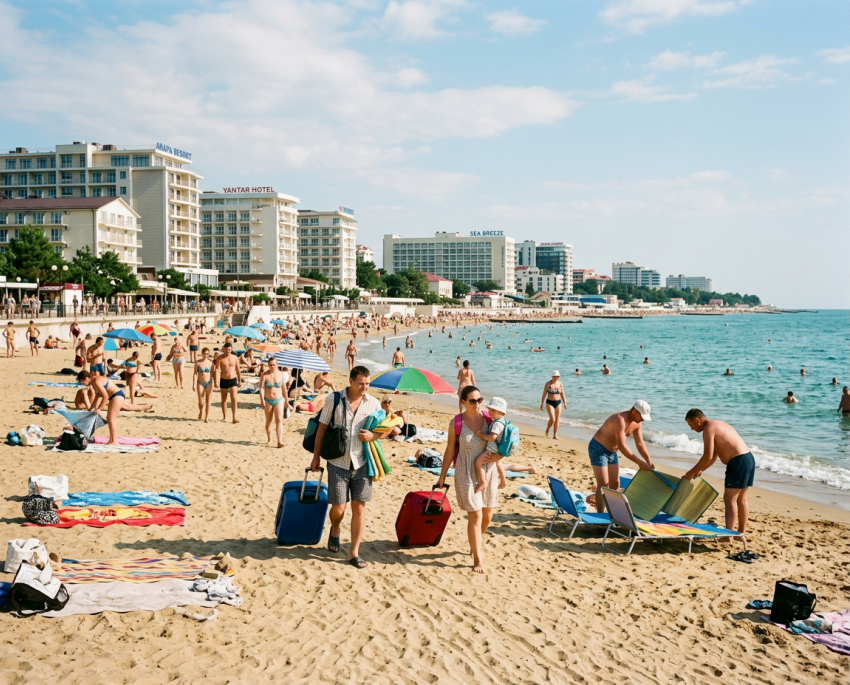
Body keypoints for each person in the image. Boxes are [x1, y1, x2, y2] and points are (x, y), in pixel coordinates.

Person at [309, 365, 382, 570]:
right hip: (337, 462)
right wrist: (316, 457)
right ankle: (335, 528)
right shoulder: (334, 399)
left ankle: (354, 553)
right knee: (338, 508)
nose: (364, 387)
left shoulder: (373, 403)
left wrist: (373, 435)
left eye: (367, 384)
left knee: (359, 507)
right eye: (361, 384)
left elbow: (385, 430)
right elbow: (322, 429)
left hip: (362, 463)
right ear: (350, 381)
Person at [437, 385, 499, 574]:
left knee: (487, 516)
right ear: (463, 402)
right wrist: (442, 475)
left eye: (480, 400)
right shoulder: (456, 423)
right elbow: (450, 450)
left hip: (488, 471)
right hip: (465, 472)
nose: (477, 404)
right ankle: (478, 559)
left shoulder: (490, 420)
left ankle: (475, 543)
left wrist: (500, 470)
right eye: (472, 401)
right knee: (476, 515)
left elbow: (500, 447)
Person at [683, 409, 753, 552]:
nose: (691, 428)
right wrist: (701, 469)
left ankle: (728, 536)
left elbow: (707, 456)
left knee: (729, 499)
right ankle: (740, 533)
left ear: (697, 420)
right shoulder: (716, 424)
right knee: (742, 499)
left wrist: (690, 473)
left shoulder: (708, 429)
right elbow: (714, 455)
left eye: (691, 425)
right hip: (748, 458)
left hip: (737, 461)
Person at [588, 402, 655, 513]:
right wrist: (639, 462)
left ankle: (611, 512)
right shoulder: (619, 419)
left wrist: (648, 460)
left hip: (612, 452)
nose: (643, 420)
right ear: (635, 411)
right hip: (598, 448)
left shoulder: (637, 423)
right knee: (603, 484)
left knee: (615, 484)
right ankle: (600, 514)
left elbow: (640, 443)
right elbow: (622, 446)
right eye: (642, 417)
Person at [76, 370, 152, 444]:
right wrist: (90, 409)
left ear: (86, 378)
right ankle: (111, 440)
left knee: (111, 418)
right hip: (115, 396)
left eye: (81, 381)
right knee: (110, 418)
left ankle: (114, 441)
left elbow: (105, 396)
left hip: (117, 395)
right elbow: (97, 396)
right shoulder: (94, 382)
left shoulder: (96, 381)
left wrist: (99, 409)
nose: (82, 383)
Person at [473, 397, 508, 493]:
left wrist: (480, 434)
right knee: (498, 463)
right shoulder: (503, 421)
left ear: (500, 411)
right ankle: (503, 481)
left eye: (493, 410)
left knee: (478, 462)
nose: (490, 412)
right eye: (489, 409)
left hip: (491, 451)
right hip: (498, 449)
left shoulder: (497, 424)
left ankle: (483, 482)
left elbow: (492, 437)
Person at [260, 356, 287, 447]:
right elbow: (261, 388)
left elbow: (284, 388)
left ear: (277, 365)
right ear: (268, 365)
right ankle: (269, 438)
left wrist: (286, 400)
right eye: (270, 365)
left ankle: (280, 441)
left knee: (279, 420)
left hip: (279, 399)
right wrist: (262, 400)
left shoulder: (281, 374)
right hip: (268, 400)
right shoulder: (265, 375)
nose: (272, 367)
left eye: (274, 365)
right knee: (269, 421)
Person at [215, 342, 241, 423]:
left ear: (231, 349)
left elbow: (238, 370)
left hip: (233, 380)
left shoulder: (235, 358)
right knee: (224, 399)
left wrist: (239, 380)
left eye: (229, 349)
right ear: (223, 349)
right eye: (226, 349)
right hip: (223, 379)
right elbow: (216, 369)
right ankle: (225, 417)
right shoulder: (220, 358)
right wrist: (215, 381)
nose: (228, 351)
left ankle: (234, 417)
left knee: (234, 399)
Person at [540, 370, 566, 440]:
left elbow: (562, 394)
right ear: (552, 376)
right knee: (552, 419)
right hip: (549, 402)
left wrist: (565, 403)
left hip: (558, 402)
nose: (556, 378)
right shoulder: (548, 384)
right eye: (555, 376)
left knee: (557, 420)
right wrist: (542, 404)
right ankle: (548, 428)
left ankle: (555, 435)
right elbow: (544, 394)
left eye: (557, 376)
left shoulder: (560, 384)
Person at [193, 348, 215, 422]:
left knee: (208, 400)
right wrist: (194, 384)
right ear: (202, 354)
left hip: (209, 382)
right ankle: (201, 411)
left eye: (207, 354)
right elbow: (195, 374)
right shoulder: (198, 363)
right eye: (204, 353)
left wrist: (215, 382)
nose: (206, 355)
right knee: (201, 401)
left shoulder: (211, 363)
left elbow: (213, 373)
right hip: (200, 382)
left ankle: (206, 417)